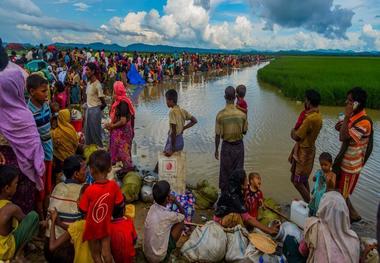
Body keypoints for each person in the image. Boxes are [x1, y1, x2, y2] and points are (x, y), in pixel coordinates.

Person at [0, 43, 45, 214]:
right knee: (22, 207)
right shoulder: (24, 114)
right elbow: (34, 146)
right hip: (23, 176)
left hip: (5, 181)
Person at [333, 87, 373, 222]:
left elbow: (343, 137)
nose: (346, 103)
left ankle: (343, 223)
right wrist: (343, 123)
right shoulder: (354, 117)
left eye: (350, 101)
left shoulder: (364, 122)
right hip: (344, 162)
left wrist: (346, 116)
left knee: (341, 197)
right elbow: (342, 131)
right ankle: (354, 216)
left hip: (350, 167)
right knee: (340, 190)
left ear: (357, 103)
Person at [78, 150, 124, 263]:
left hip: (92, 227)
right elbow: (119, 203)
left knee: (95, 253)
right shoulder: (114, 186)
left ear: (92, 171)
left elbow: (82, 209)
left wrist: (79, 201)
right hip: (105, 225)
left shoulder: (89, 190)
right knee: (106, 252)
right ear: (109, 169)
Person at [302, 191, 360, 263]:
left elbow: (303, 250)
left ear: (323, 207)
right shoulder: (354, 238)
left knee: (290, 241)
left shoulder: (314, 227)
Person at [27, 73, 54, 218]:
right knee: (40, 191)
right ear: (32, 92)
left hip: (48, 152)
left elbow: (48, 125)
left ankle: (47, 216)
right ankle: (41, 219)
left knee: (48, 188)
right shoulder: (28, 112)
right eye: (43, 91)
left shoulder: (46, 105)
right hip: (38, 156)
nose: (46, 94)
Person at [0, 166, 39, 261]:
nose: (17, 186)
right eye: (16, 183)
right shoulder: (12, 208)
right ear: (7, 188)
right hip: (5, 251)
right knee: (33, 216)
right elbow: (26, 222)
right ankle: (19, 253)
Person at [290, 89, 322, 203]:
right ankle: (309, 202)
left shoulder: (309, 119)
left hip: (303, 152)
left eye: (305, 100)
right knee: (303, 179)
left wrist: (292, 131)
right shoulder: (318, 115)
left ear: (308, 102)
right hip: (309, 150)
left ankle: (310, 204)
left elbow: (297, 136)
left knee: (297, 181)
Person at [215, 86, 248, 193]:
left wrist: (216, 150)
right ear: (235, 97)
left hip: (226, 147)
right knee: (238, 171)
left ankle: (225, 196)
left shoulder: (220, 115)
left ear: (225, 97)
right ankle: (237, 195)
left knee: (225, 172)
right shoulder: (242, 114)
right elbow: (244, 131)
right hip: (239, 146)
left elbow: (217, 135)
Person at [48, 186, 93, 263]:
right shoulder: (99, 223)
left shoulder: (78, 226)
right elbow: (75, 230)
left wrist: (53, 222)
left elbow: (52, 246)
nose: (77, 201)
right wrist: (59, 223)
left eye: (79, 199)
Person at [144, 180, 185, 263]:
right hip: (158, 258)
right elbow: (183, 216)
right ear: (167, 197)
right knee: (180, 224)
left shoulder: (152, 208)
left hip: (147, 253)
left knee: (167, 225)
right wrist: (176, 201)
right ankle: (167, 255)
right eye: (169, 192)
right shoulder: (168, 216)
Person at [105, 81, 135, 174]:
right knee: (121, 149)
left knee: (123, 149)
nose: (112, 92)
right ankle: (123, 165)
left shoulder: (123, 103)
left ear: (117, 91)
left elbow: (123, 121)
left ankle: (127, 168)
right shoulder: (118, 101)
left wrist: (112, 126)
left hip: (123, 132)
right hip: (119, 131)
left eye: (114, 90)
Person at [163, 89, 197, 157]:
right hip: (180, 141)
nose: (166, 102)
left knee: (163, 159)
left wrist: (172, 149)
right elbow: (194, 120)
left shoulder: (172, 112)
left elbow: (174, 131)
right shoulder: (182, 111)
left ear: (171, 101)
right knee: (176, 161)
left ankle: (155, 168)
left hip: (174, 142)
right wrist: (183, 128)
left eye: (166, 100)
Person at [84, 62, 106, 147]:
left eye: (88, 70)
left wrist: (96, 111)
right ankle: (90, 151)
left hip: (95, 110)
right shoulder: (89, 83)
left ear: (93, 71)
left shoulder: (98, 85)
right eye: (86, 70)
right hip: (88, 109)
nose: (86, 72)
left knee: (95, 133)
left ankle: (99, 150)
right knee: (88, 132)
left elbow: (103, 103)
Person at [51, 109, 79, 176]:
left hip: (59, 160)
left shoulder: (55, 132)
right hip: (71, 157)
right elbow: (76, 142)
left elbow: (53, 146)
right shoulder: (71, 129)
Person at [308, 152, 336, 216]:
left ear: (331, 165)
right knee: (312, 207)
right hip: (316, 194)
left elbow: (333, 187)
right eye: (321, 165)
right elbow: (314, 179)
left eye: (325, 165)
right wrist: (314, 177)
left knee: (320, 211)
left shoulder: (332, 175)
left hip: (324, 197)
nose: (323, 167)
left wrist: (329, 181)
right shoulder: (319, 171)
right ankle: (310, 216)